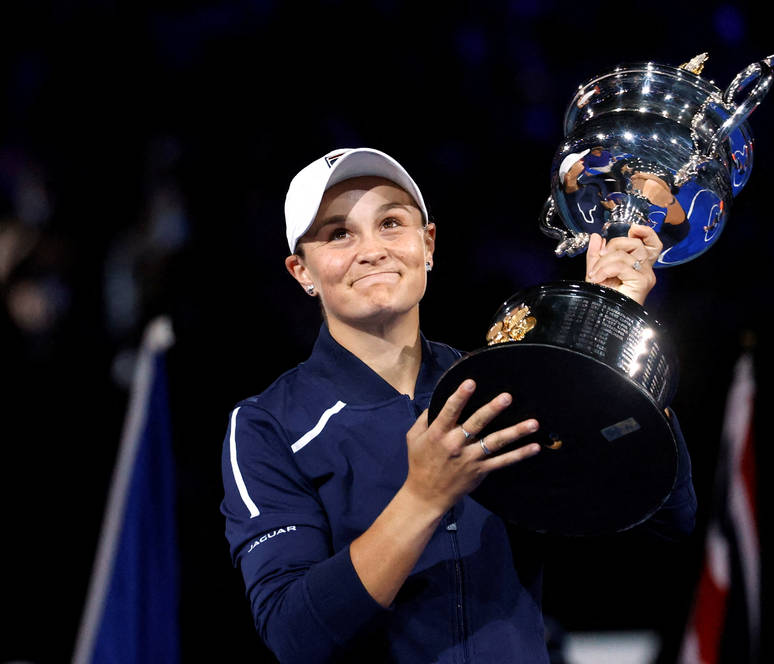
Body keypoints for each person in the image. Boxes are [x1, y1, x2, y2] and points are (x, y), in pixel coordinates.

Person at [220, 147, 696, 663]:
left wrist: (606, 342)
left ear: (427, 245)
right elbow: (294, 634)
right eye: (339, 234)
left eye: (390, 223)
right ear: (302, 272)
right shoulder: (268, 425)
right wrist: (423, 497)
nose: (372, 250)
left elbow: (665, 520)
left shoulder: (500, 381)